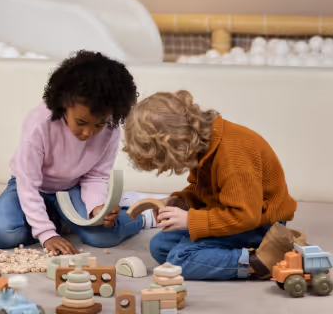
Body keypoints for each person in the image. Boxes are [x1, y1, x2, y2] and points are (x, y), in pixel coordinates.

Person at [122, 90, 306, 280]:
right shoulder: (201, 145)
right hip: (227, 214)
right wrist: (182, 201)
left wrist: (190, 221)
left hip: (259, 224)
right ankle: (230, 253)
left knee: (179, 259)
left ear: (179, 144)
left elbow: (245, 215)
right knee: (159, 246)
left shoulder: (234, 156)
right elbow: (202, 190)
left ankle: (258, 261)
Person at [0, 50, 155, 255]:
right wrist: (47, 233)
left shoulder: (111, 131)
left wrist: (96, 208)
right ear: (64, 103)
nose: (88, 133)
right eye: (81, 122)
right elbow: (27, 182)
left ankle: (143, 215)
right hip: (30, 186)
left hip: (73, 189)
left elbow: (95, 176)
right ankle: (58, 219)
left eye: (98, 124)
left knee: (102, 236)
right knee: (2, 233)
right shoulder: (40, 124)